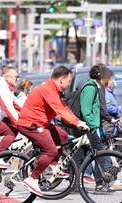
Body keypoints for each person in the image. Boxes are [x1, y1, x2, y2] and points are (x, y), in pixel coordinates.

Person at [17, 66, 88, 196]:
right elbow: (59, 110)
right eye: (68, 81)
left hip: (40, 122)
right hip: (30, 124)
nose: (69, 84)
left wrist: (78, 120)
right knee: (51, 150)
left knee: (63, 136)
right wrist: (77, 123)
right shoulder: (48, 89)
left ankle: (54, 165)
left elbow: (64, 107)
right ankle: (32, 179)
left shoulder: (53, 89)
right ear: (61, 80)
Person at [80, 65, 116, 191]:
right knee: (101, 153)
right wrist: (93, 126)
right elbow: (86, 110)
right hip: (90, 127)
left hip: (92, 126)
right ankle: (100, 183)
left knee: (88, 153)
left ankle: (77, 180)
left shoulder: (96, 87)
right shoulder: (91, 88)